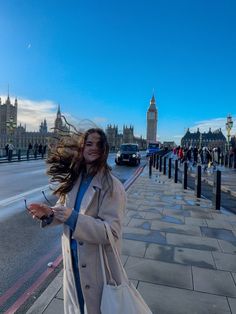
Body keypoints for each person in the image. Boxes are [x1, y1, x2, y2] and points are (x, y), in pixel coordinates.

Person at [28, 128, 127, 314]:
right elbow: (63, 209)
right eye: (89, 144)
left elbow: (112, 232)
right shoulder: (75, 180)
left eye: (99, 144)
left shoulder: (112, 186)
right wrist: (49, 213)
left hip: (97, 267)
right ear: (81, 148)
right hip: (73, 262)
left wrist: (73, 218)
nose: (93, 148)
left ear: (105, 149)